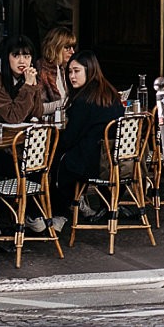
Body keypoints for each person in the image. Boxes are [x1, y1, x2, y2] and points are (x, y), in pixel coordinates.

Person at [50, 50, 124, 227]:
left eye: (77, 71)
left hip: (93, 162)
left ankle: (56, 212)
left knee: (55, 160)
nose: (72, 76)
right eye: (69, 71)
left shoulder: (84, 100)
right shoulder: (110, 93)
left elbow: (70, 138)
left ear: (89, 71)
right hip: (113, 159)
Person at [0, 35, 45, 125]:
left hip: (15, 132)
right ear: (7, 58)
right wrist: (28, 86)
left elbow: (37, 113)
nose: (22, 61)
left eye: (26, 56)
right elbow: (13, 117)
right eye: (16, 56)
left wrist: (34, 86)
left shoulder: (26, 76)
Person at [36, 27, 76, 117]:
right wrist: (67, 102)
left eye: (73, 47)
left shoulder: (63, 68)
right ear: (55, 47)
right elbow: (38, 108)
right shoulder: (41, 70)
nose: (72, 51)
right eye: (67, 48)